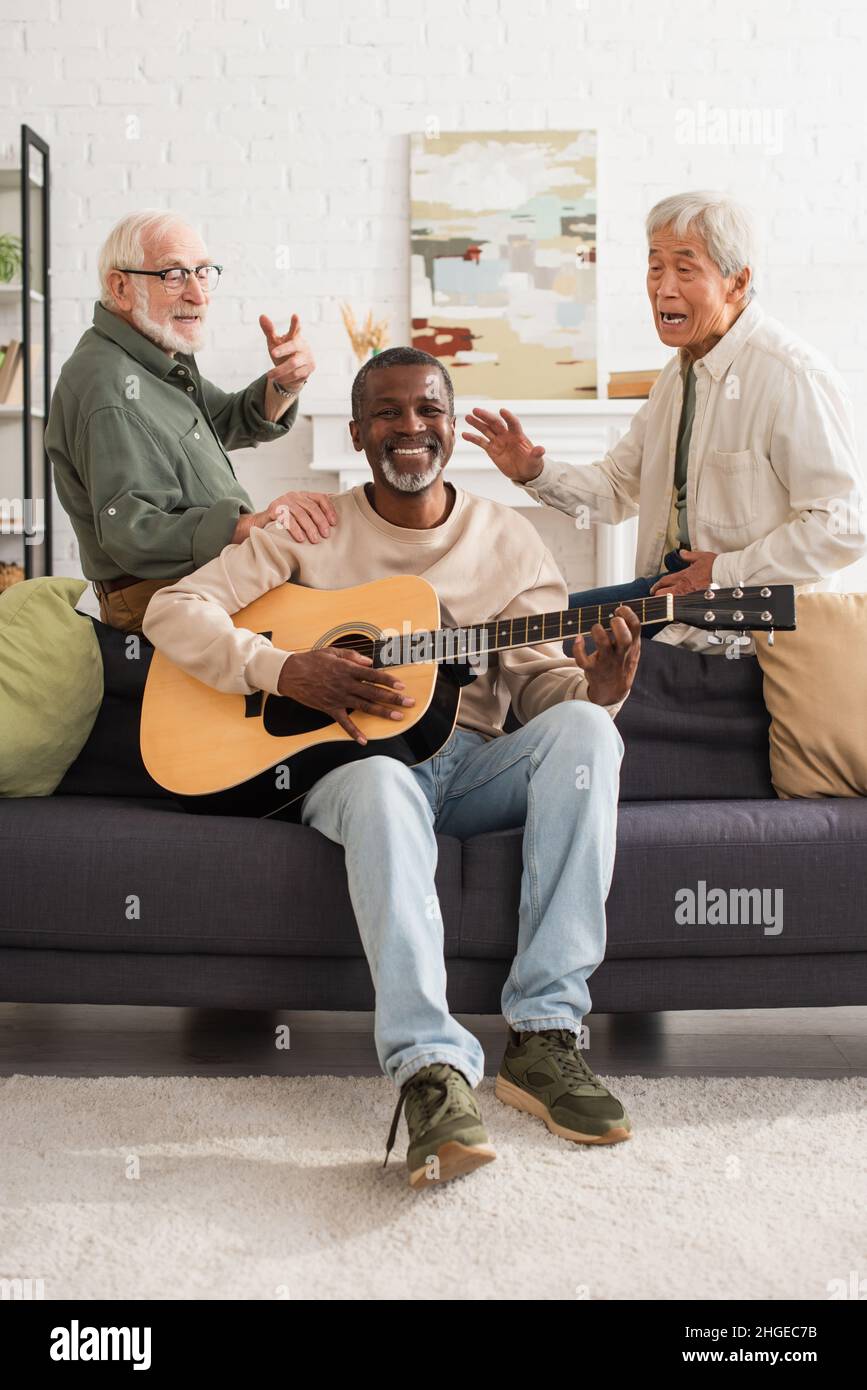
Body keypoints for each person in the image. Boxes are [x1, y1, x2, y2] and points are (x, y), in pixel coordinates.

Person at [142, 347, 642, 1190]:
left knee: (590, 735)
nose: (410, 428)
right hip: (357, 770)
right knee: (377, 779)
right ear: (358, 431)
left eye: (427, 411)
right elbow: (171, 609)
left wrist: (594, 688)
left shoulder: (506, 539)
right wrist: (282, 669)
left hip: (476, 766)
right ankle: (430, 1072)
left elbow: (542, 687)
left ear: (451, 426)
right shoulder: (311, 528)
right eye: (388, 413)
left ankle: (545, 1038)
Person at [463, 190, 867, 656]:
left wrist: (724, 572)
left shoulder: (791, 377)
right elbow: (616, 488)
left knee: (538, 649)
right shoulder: (677, 377)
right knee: (524, 632)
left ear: (737, 283)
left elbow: (845, 526)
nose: (664, 288)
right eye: (655, 267)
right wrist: (532, 472)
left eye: (685, 269)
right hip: (667, 593)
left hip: (742, 618)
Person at [46, 210, 336, 634]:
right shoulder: (107, 385)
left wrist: (284, 385)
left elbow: (225, 419)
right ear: (120, 287)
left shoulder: (154, 357)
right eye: (174, 275)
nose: (199, 295)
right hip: (164, 602)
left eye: (202, 272)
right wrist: (252, 525)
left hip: (205, 585)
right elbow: (133, 532)